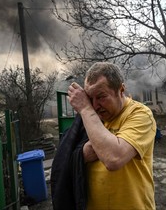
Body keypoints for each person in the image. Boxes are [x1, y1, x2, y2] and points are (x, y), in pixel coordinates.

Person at [67, 62, 156, 210]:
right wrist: (82, 154)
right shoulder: (92, 117)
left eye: (101, 97)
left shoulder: (140, 114)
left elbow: (114, 158)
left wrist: (84, 108)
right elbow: (66, 155)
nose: (95, 106)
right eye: (90, 98)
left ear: (121, 90)